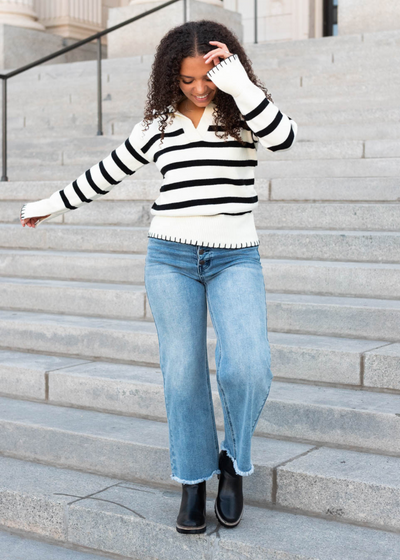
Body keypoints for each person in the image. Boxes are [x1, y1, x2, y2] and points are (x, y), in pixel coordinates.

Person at [20, 20, 297, 534]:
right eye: (187, 79)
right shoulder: (158, 124)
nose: (197, 88)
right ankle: (193, 479)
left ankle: (233, 462)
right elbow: (104, 172)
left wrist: (240, 86)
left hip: (235, 256)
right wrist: (48, 205)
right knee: (183, 373)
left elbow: (285, 138)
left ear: (224, 67)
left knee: (248, 366)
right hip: (169, 259)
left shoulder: (245, 111)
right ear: (171, 76)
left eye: (207, 78)